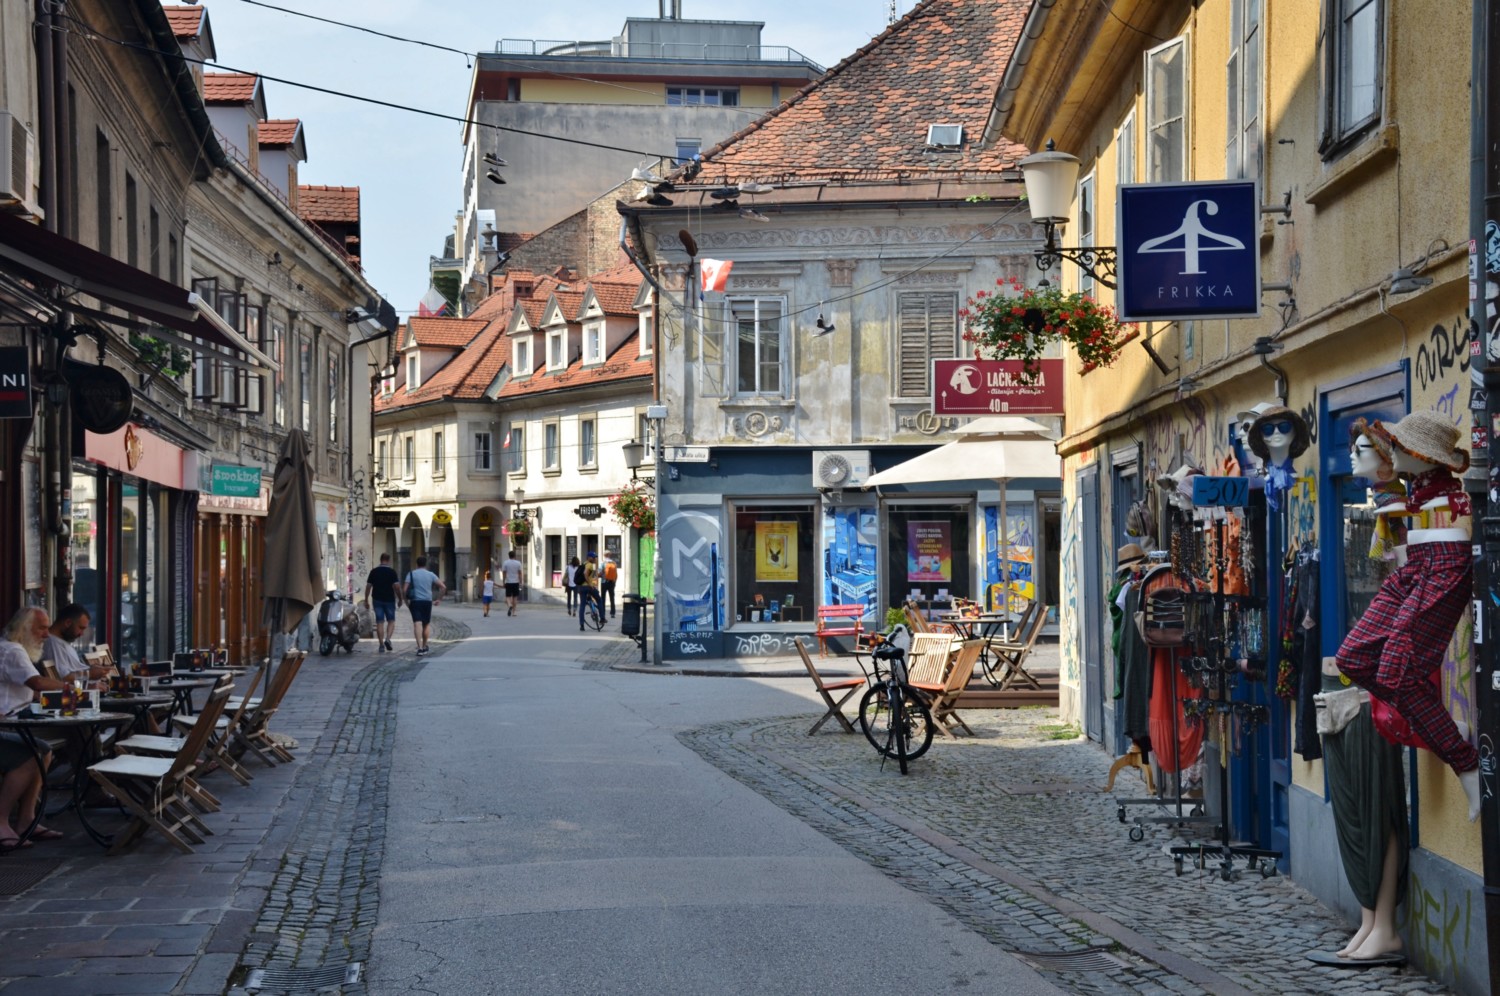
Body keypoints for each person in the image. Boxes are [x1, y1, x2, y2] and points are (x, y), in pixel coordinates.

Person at [0, 607, 84, 848]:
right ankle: (2, 820)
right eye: (42, 628)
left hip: (15, 722)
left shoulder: (13, 649)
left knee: (44, 751)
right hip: (8, 725)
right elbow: (36, 681)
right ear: (24, 629)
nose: (46, 635)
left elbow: (29, 689)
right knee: (30, 755)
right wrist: (75, 690)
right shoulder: (13, 650)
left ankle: (26, 819)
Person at [42, 604, 108, 681]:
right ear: (68, 623)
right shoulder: (52, 645)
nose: (82, 634)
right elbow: (63, 678)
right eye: (81, 628)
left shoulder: (60, 642)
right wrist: (90, 674)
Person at [399, 555, 446, 656]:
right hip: (427, 602)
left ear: (417, 564)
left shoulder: (411, 574)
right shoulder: (430, 574)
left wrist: (406, 601)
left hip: (415, 601)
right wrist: (439, 599)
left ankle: (419, 647)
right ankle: (425, 646)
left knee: (417, 624)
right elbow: (443, 587)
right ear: (426, 564)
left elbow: (404, 589)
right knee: (426, 624)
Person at [362, 553, 402, 652]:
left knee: (380, 622)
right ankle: (388, 639)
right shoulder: (392, 572)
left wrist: (366, 599)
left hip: (377, 599)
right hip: (389, 600)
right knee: (391, 621)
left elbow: (368, 587)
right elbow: (397, 587)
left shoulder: (374, 571)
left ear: (380, 560)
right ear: (388, 560)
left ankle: (381, 645)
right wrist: (400, 598)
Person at [576, 551, 603, 631]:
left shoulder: (584, 564)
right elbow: (585, 574)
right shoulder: (590, 565)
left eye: (595, 557)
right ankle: (602, 618)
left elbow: (593, 575)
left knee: (582, 606)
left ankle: (581, 625)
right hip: (588, 587)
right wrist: (590, 584)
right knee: (599, 600)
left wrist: (599, 575)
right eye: (594, 557)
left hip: (581, 588)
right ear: (589, 558)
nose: (595, 559)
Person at [500, 550, 523, 617]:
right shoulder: (518, 563)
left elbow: (504, 573)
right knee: (515, 597)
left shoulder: (505, 563)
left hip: (508, 582)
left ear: (509, 556)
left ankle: (510, 605)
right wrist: (521, 581)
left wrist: (503, 581)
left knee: (508, 596)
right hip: (516, 582)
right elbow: (520, 573)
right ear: (514, 556)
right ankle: (514, 612)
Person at [600, 552, 619, 618]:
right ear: (610, 555)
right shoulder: (614, 563)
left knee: (603, 598)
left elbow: (599, 573)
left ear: (604, 555)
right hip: (612, 582)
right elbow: (616, 574)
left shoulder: (602, 563)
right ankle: (612, 613)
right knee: (612, 598)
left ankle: (603, 613)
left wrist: (600, 575)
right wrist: (614, 582)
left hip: (604, 582)